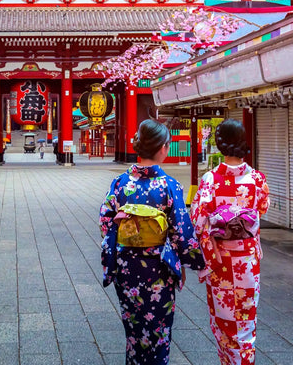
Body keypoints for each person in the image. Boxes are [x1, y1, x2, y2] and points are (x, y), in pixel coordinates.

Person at [99, 119, 205, 365]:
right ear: (162, 148)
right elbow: (181, 230)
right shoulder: (169, 185)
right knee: (158, 332)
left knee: (134, 330)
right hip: (158, 268)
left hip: (127, 267)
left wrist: (120, 226)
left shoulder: (120, 183)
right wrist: (195, 263)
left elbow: (106, 222)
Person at [190, 119, 270, 365]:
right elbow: (263, 209)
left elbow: (198, 219)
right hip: (247, 262)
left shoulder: (210, 180)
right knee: (246, 323)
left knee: (224, 323)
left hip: (221, 261)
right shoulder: (257, 179)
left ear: (219, 143)